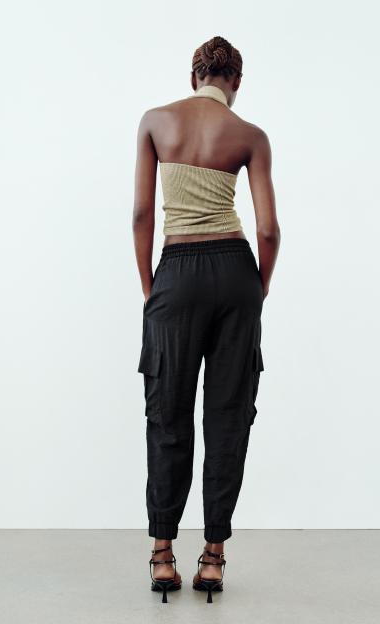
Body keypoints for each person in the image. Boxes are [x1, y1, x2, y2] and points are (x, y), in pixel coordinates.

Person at [133, 35, 280, 603]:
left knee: (167, 412)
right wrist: (257, 289)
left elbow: (142, 214)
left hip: (176, 272)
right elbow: (267, 229)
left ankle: (162, 553)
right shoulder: (250, 135)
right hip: (234, 273)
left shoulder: (156, 121)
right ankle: (214, 557)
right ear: (235, 82)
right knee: (228, 415)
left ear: (193, 75)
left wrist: (152, 290)